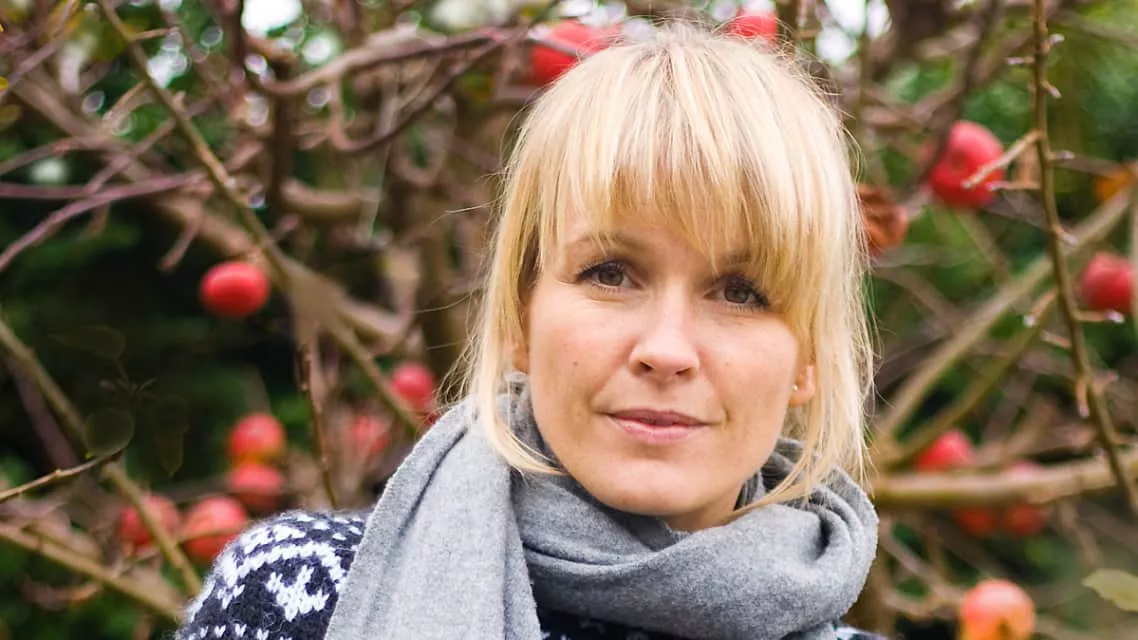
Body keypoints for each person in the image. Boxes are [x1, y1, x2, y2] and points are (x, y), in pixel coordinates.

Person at [175, 19, 884, 640]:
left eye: (741, 292)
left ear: (808, 357)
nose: (666, 350)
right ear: (519, 316)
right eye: (611, 273)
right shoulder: (298, 601)